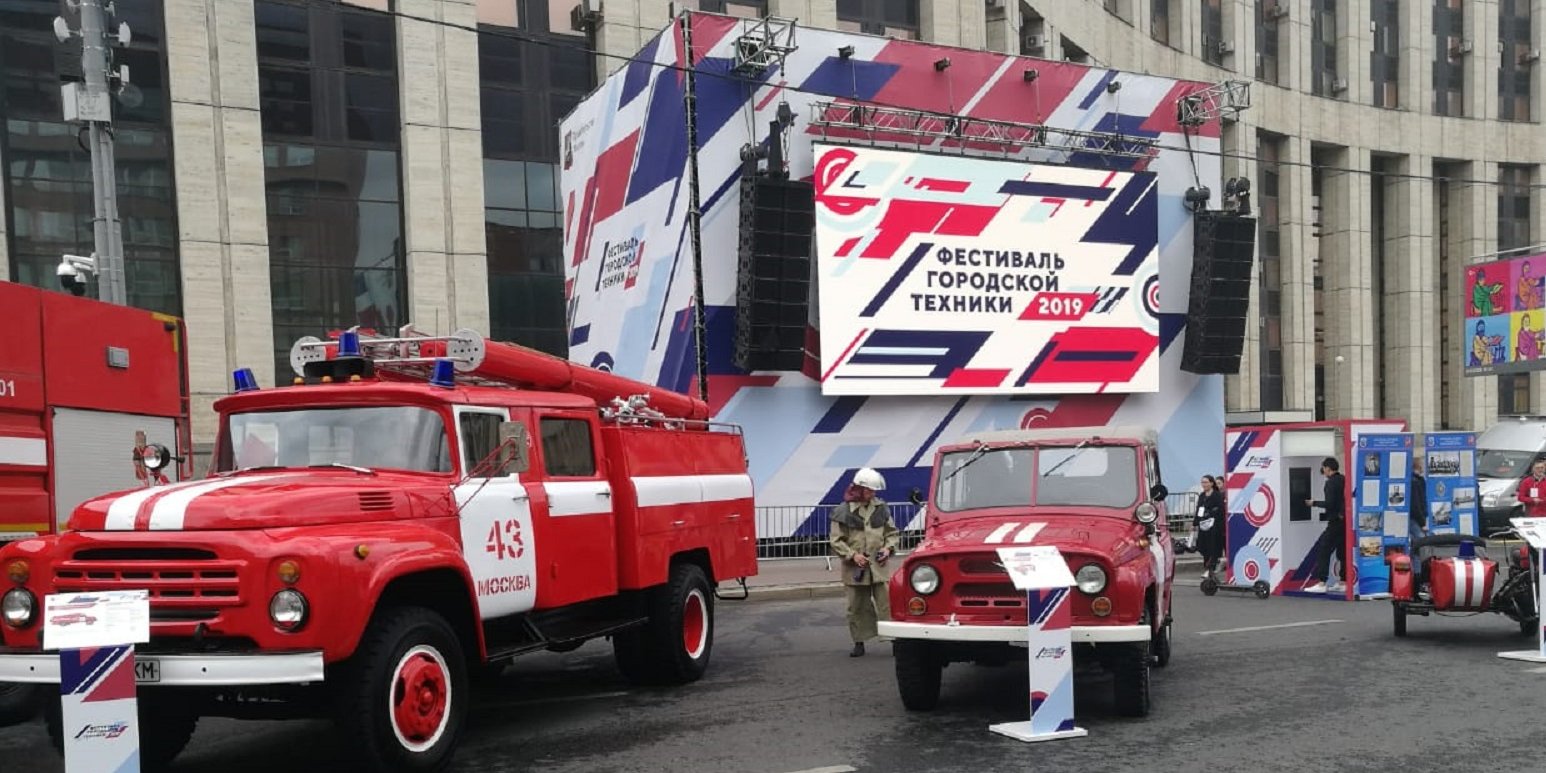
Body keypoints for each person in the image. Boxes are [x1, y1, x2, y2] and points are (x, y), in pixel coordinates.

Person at [829, 467, 900, 657]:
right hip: (855, 569)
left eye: (874, 490)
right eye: (869, 490)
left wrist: (888, 548)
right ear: (858, 489)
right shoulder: (842, 511)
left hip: (879, 567)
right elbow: (836, 541)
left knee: (887, 604)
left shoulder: (881, 508)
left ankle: (894, 640)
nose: (873, 494)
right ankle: (859, 642)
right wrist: (853, 555)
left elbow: (892, 533)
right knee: (856, 606)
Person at [1302, 457, 1347, 594]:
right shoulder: (1344, 479)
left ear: (1328, 468)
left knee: (1324, 549)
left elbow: (1329, 504)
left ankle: (1322, 582)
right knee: (1342, 552)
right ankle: (1343, 582)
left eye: (1323, 468)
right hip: (1344, 521)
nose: (1323, 470)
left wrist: (1314, 503)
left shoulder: (1330, 483)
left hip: (1334, 522)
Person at [1195, 475, 1226, 579]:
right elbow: (1199, 510)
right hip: (1204, 526)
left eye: (1206, 482)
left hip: (1214, 526)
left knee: (1213, 547)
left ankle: (1210, 568)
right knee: (1204, 547)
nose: (1204, 484)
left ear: (1211, 483)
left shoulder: (1217, 495)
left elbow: (1221, 510)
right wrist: (1195, 523)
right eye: (1202, 482)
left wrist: (1211, 513)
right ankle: (1207, 566)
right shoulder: (1202, 495)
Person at [1408, 457, 1428, 543]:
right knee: (1421, 541)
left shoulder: (1418, 480)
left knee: (1417, 540)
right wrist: (1422, 523)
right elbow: (1416, 505)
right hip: (1415, 519)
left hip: (1416, 518)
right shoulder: (1415, 482)